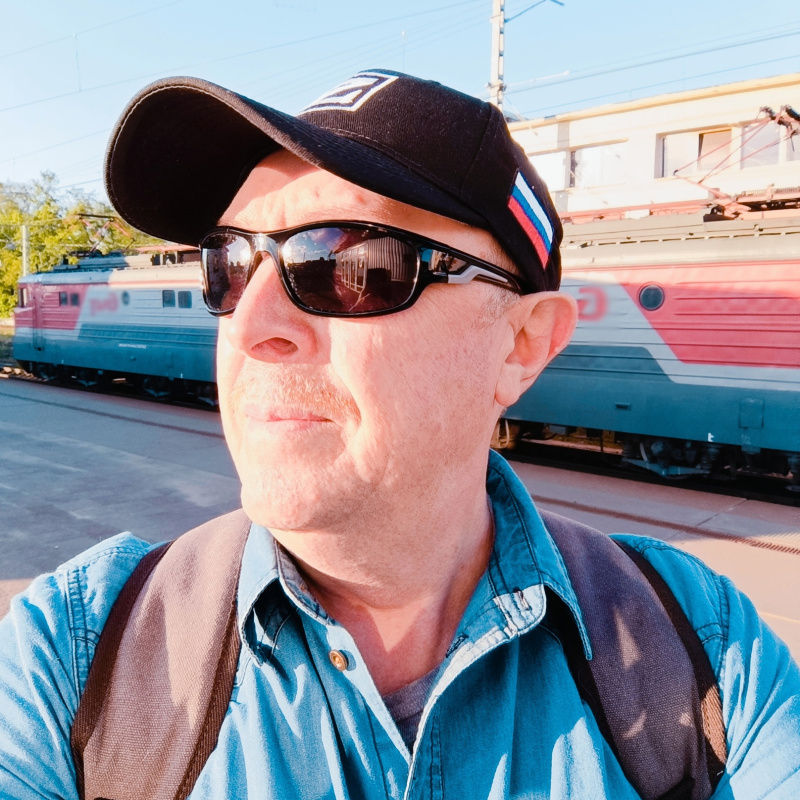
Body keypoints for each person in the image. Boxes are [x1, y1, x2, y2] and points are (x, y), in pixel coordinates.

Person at [1, 69, 799, 800]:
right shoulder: (73, 652)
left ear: (521, 346)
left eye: (345, 265)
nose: (249, 326)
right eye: (228, 266)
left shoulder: (707, 651)